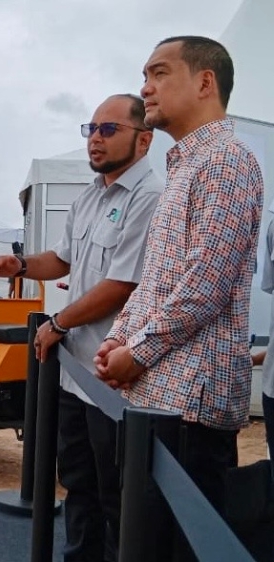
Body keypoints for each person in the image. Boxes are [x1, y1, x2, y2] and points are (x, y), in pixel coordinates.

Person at [95, 36, 264, 547]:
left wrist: (135, 352)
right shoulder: (188, 166)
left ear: (205, 82)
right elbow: (159, 279)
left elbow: (204, 288)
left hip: (190, 407)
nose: (145, 87)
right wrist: (117, 339)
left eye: (159, 73)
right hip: (161, 400)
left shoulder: (227, 163)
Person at [0, 94, 162, 562]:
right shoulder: (91, 194)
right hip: (74, 374)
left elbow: (122, 285)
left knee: (115, 494)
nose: (95, 140)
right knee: (77, 483)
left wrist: (57, 323)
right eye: (91, 129)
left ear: (143, 141)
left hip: (111, 377)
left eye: (109, 130)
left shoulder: (150, 197)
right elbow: (61, 259)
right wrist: (18, 264)